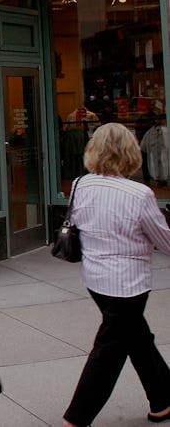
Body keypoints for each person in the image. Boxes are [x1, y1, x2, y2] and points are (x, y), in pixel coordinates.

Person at [63, 122, 170, 427]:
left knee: (137, 338)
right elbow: (163, 240)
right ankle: (76, 418)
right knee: (109, 351)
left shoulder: (80, 184)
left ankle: (163, 399)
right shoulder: (140, 194)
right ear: (131, 152)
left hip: (95, 278)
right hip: (128, 283)